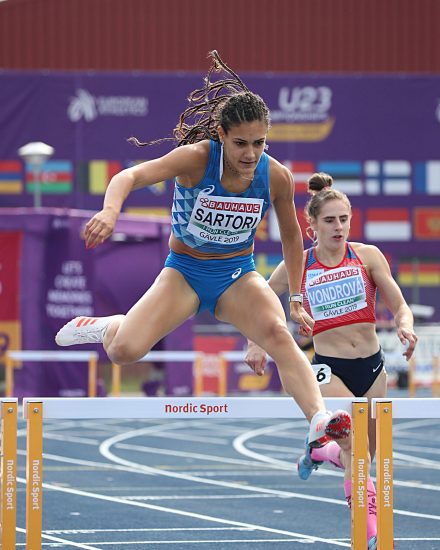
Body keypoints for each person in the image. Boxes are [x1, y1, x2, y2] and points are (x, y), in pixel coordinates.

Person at [55, 51, 351, 449]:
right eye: (241, 143)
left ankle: (318, 419)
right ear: (221, 135)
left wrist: (296, 297)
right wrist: (110, 212)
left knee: (279, 333)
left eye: (260, 143)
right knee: (125, 351)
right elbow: (130, 175)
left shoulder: (275, 176)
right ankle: (108, 325)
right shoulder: (196, 160)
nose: (250, 154)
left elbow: (292, 237)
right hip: (185, 272)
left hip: (236, 276)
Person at [245, 172, 417, 550]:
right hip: (328, 369)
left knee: (364, 454)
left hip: (372, 368)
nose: (338, 227)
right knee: (356, 449)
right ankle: (370, 529)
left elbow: (398, 303)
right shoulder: (298, 265)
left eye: (344, 219)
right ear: (312, 226)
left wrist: (405, 325)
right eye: (329, 220)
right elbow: (259, 299)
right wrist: (255, 341)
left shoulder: (367, 256)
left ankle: (318, 450)